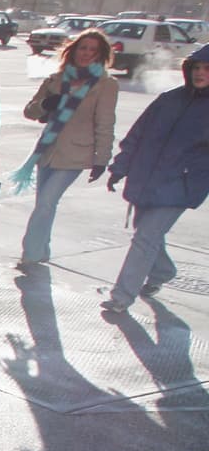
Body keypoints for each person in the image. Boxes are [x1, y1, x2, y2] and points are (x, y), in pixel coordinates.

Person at [100, 44, 209, 313]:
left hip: (180, 186)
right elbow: (137, 135)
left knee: (146, 238)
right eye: (197, 67)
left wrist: (194, 173)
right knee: (146, 234)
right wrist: (120, 167)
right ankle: (163, 272)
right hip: (145, 178)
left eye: (207, 69)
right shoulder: (169, 100)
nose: (200, 73)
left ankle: (121, 296)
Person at [12, 29, 117, 268]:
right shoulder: (56, 79)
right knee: (44, 205)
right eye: (83, 48)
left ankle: (30, 254)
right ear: (73, 50)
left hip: (76, 153)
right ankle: (43, 249)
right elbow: (30, 111)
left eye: (93, 50)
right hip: (47, 150)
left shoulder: (105, 84)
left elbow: (105, 124)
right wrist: (46, 104)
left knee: (46, 203)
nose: (86, 54)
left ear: (100, 55)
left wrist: (102, 159)